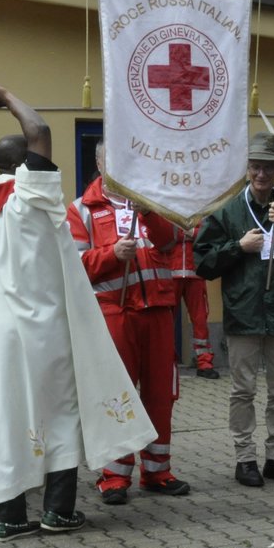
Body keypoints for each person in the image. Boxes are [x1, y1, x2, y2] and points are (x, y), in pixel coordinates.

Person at [0, 84, 155, 541]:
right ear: (24, 168)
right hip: (41, 331)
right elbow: (39, 128)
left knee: (8, 418)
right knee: (61, 415)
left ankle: (10, 517)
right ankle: (58, 511)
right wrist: (6, 97)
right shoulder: (26, 199)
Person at [70, 143, 191, 505]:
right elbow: (74, 265)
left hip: (157, 311)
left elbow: (173, 239)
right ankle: (114, 476)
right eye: (114, 160)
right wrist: (111, 256)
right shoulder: (82, 209)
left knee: (159, 396)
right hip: (114, 314)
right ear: (100, 163)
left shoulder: (154, 198)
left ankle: (157, 471)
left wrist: (150, 212)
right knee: (116, 396)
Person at [195, 132, 274, 487]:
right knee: (242, 390)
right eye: (256, 167)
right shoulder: (228, 210)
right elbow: (203, 263)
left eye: (268, 168)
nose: (262, 174)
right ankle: (244, 458)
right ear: (247, 169)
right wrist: (238, 246)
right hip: (244, 313)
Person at [171, 223, 219, 378]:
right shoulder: (165, 204)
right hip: (171, 272)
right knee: (166, 321)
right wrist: (184, 234)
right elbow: (161, 233)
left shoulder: (197, 205)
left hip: (196, 272)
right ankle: (166, 362)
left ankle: (205, 363)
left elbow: (209, 233)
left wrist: (192, 232)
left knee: (200, 320)